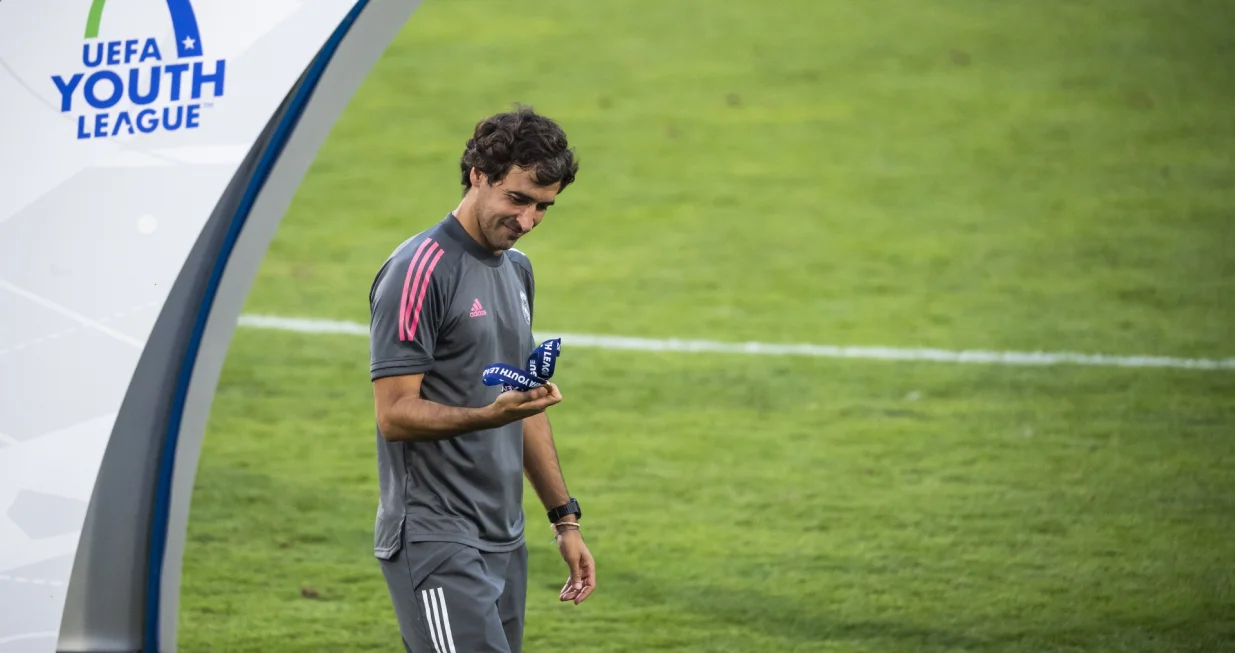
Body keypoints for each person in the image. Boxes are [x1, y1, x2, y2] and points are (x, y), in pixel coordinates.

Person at [367, 106, 595, 653]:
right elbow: (394, 414)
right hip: (435, 537)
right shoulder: (420, 269)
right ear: (478, 175)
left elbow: (524, 405)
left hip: (504, 538)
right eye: (517, 199)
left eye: (544, 207)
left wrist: (565, 520)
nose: (527, 222)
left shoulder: (517, 270)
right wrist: (487, 416)